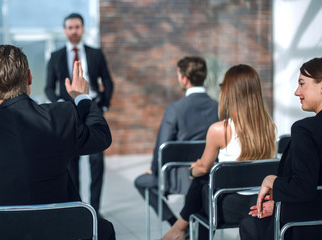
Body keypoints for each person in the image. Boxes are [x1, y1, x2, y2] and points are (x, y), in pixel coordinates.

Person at [0, 45, 115, 240]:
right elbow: (101, 136)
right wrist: (82, 97)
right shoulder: (61, 115)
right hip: (60, 232)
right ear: (29, 77)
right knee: (103, 229)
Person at [162, 64, 276, 240]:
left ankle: (178, 228)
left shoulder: (219, 130)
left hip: (227, 208)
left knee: (201, 181)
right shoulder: (271, 128)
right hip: (259, 204)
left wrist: (192, 170)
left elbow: (203, 168)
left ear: (229, 92)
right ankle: (179, 229)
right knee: (205, 186)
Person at [239, 57, 322, 240]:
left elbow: (303, 188)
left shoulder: (305, 129)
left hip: (308, 224)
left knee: (251, 220)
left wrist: (270, 181)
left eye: (302, 84)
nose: (296, 92)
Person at [134, 56, 219, 226]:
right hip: (209, 173)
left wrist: (154, 170)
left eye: (178, 75)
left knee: (142, 182)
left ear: (185, 79)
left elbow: (162, 147)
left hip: (178, 176)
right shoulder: (217, 106)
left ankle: (175, 224)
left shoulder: (175, 108)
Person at [45, 13, 114, 214]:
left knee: (96, 162)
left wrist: (104, 106)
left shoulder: (96, 54)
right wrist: (59, 105)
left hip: (92, 110)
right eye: (70, 27)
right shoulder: (55, 57)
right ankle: (77, 207)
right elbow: (49, 87)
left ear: (82, 29)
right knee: (70, 163)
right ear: (65, 30)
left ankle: (95, 209)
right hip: (68, 114)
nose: (74, 31)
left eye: (77, 27)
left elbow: (108, 81)